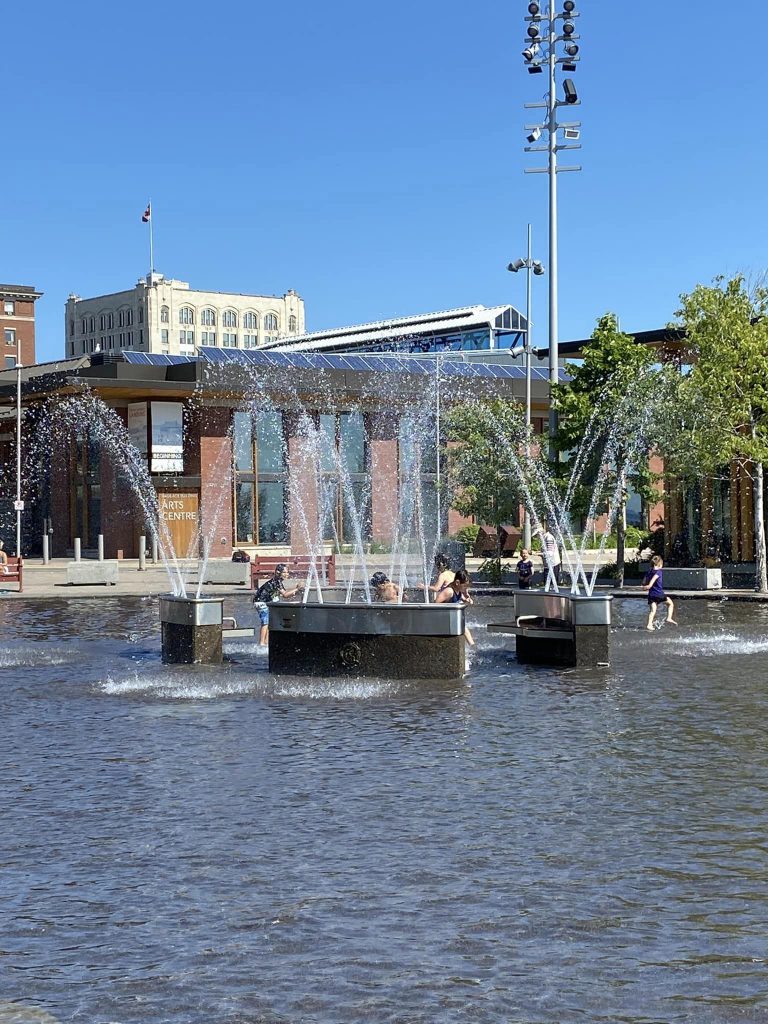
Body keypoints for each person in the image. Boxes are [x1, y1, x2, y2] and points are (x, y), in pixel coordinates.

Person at [253, 563, 300, 645]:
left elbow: (286, 594)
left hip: (266, 602)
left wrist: (295, 592)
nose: (287, 574)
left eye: (287, 572)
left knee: (270, 622)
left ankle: (267, 643)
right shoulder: (276, 581)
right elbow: (285, 594)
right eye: (284, 572)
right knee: (266, 622)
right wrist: (296, 589)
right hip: (260, 602)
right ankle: (261, 643)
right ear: (278, 573)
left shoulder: (278, 581)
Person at [436, 570, 475, 645]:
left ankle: (472, 646)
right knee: (463, 627)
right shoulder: (449, 591)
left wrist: (467, 600)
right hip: (442, 618)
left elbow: (462, 598)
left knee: (463, 626)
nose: (466, 588)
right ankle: (472, 646)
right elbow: (435, 603)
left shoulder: (458, 590)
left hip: (451, 617)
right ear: (457, 582)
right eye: (465, 586)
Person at [643, 554, 677, 631]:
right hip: (658, 593)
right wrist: (649, 585)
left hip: (651, 594)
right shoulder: (658, 571)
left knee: (652, 610)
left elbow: (644, 580)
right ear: (660, 564)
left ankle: (649, 624)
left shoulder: (649, 571)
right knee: (670, 603)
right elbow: (654, 578)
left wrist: (644, 586)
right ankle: (669, 618)